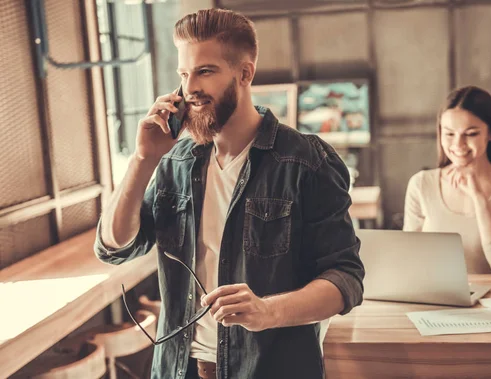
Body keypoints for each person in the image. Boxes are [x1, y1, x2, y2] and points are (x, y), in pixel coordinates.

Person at [94, 8, 364, 379]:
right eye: (184, 74)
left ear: (245, 73)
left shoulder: (306, 161)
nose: (190, 89)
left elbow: (345, 279)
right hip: (178, 370)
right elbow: (116, 246)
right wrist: (143, 159)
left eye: (205, 71)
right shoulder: (175, 161)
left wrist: (268, 311)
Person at [403, 86, 491, 279]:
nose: (458, 144)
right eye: (449, 134)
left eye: (471, 133)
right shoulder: (421, 184)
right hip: (436, 301)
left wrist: (479, 198)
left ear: (490, 133)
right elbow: (409, 259)